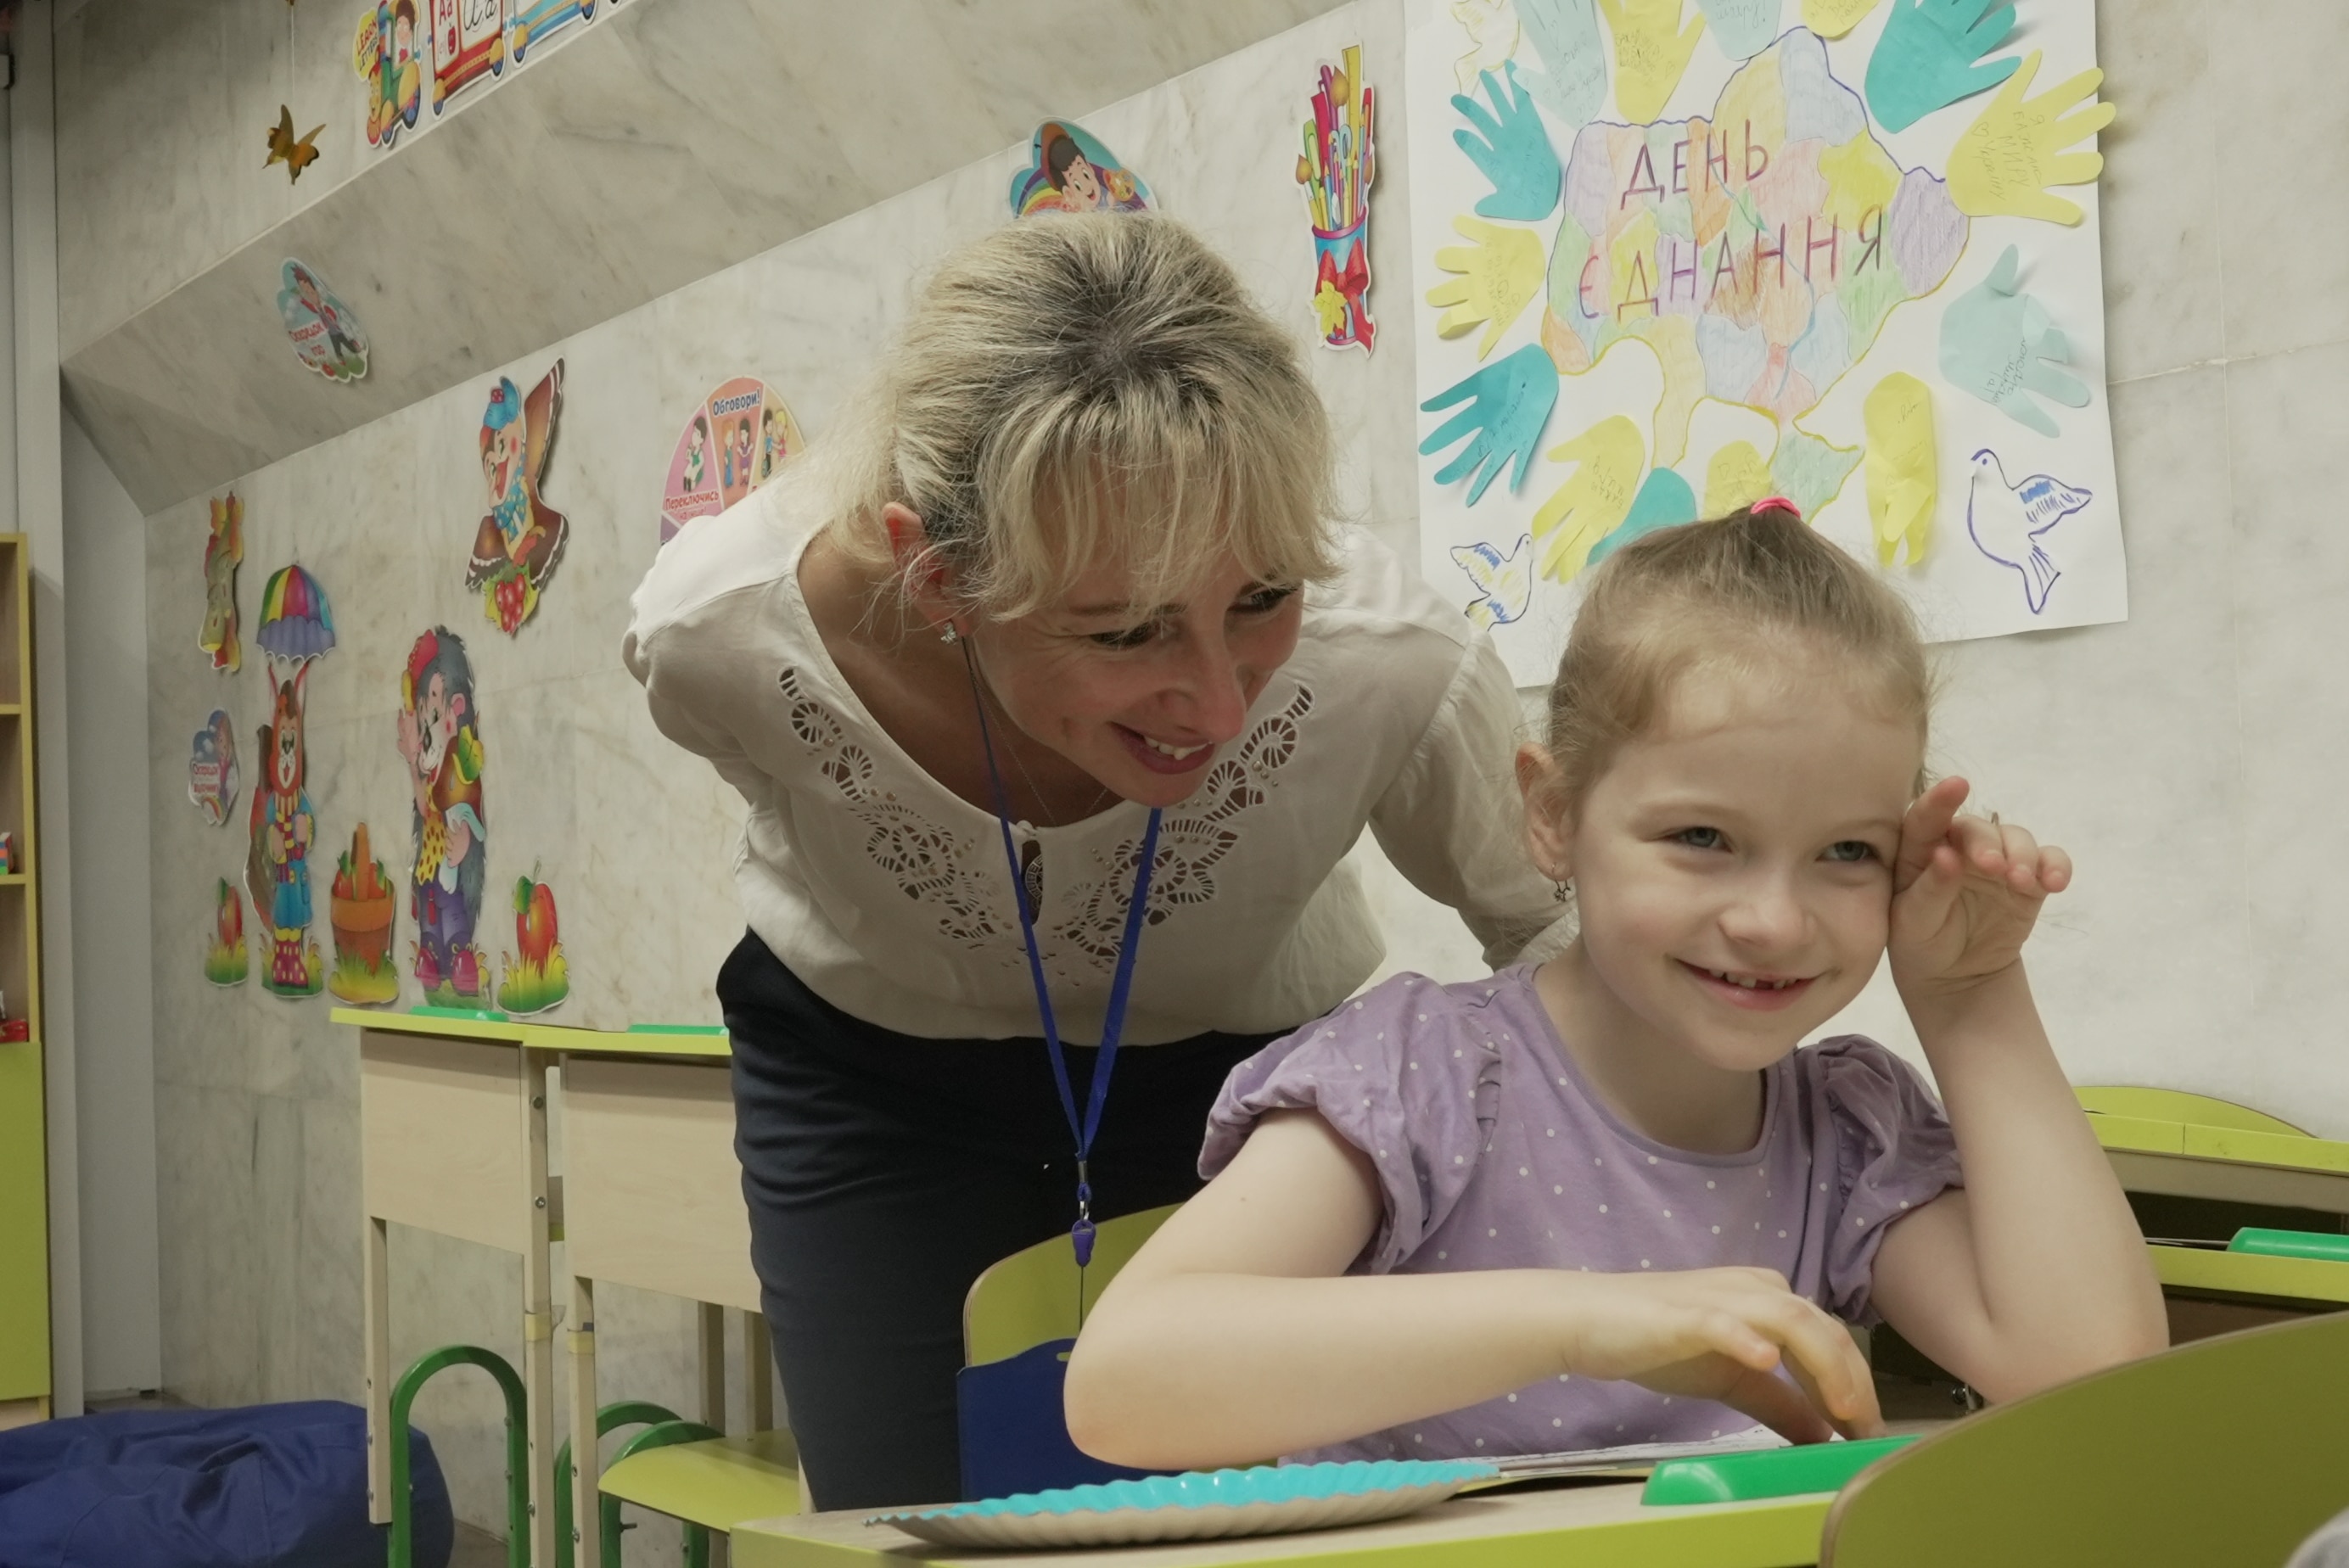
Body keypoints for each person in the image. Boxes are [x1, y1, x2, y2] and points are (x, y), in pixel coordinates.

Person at [624, 212, 1569, 1508]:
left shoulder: (1392, 655)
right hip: (868, 1089)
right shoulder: (718, 631)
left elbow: (1556, 932)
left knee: (1249, 1522)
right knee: (910, 1521)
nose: (1220, 707)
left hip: (1243, 1094)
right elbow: (779, 796)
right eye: (1125, 631)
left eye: (1259, 600)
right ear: (940, 578)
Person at [1065, 503, 2168, 1470]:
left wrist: (1973, 998)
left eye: (1847, 854)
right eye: (1702, 836)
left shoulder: (1843, 1132)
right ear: (1553, 816)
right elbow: (1121, 1384)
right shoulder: (1426, 1077)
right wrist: (1594, 1320)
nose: (1774, 919)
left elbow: (2087, 1380)